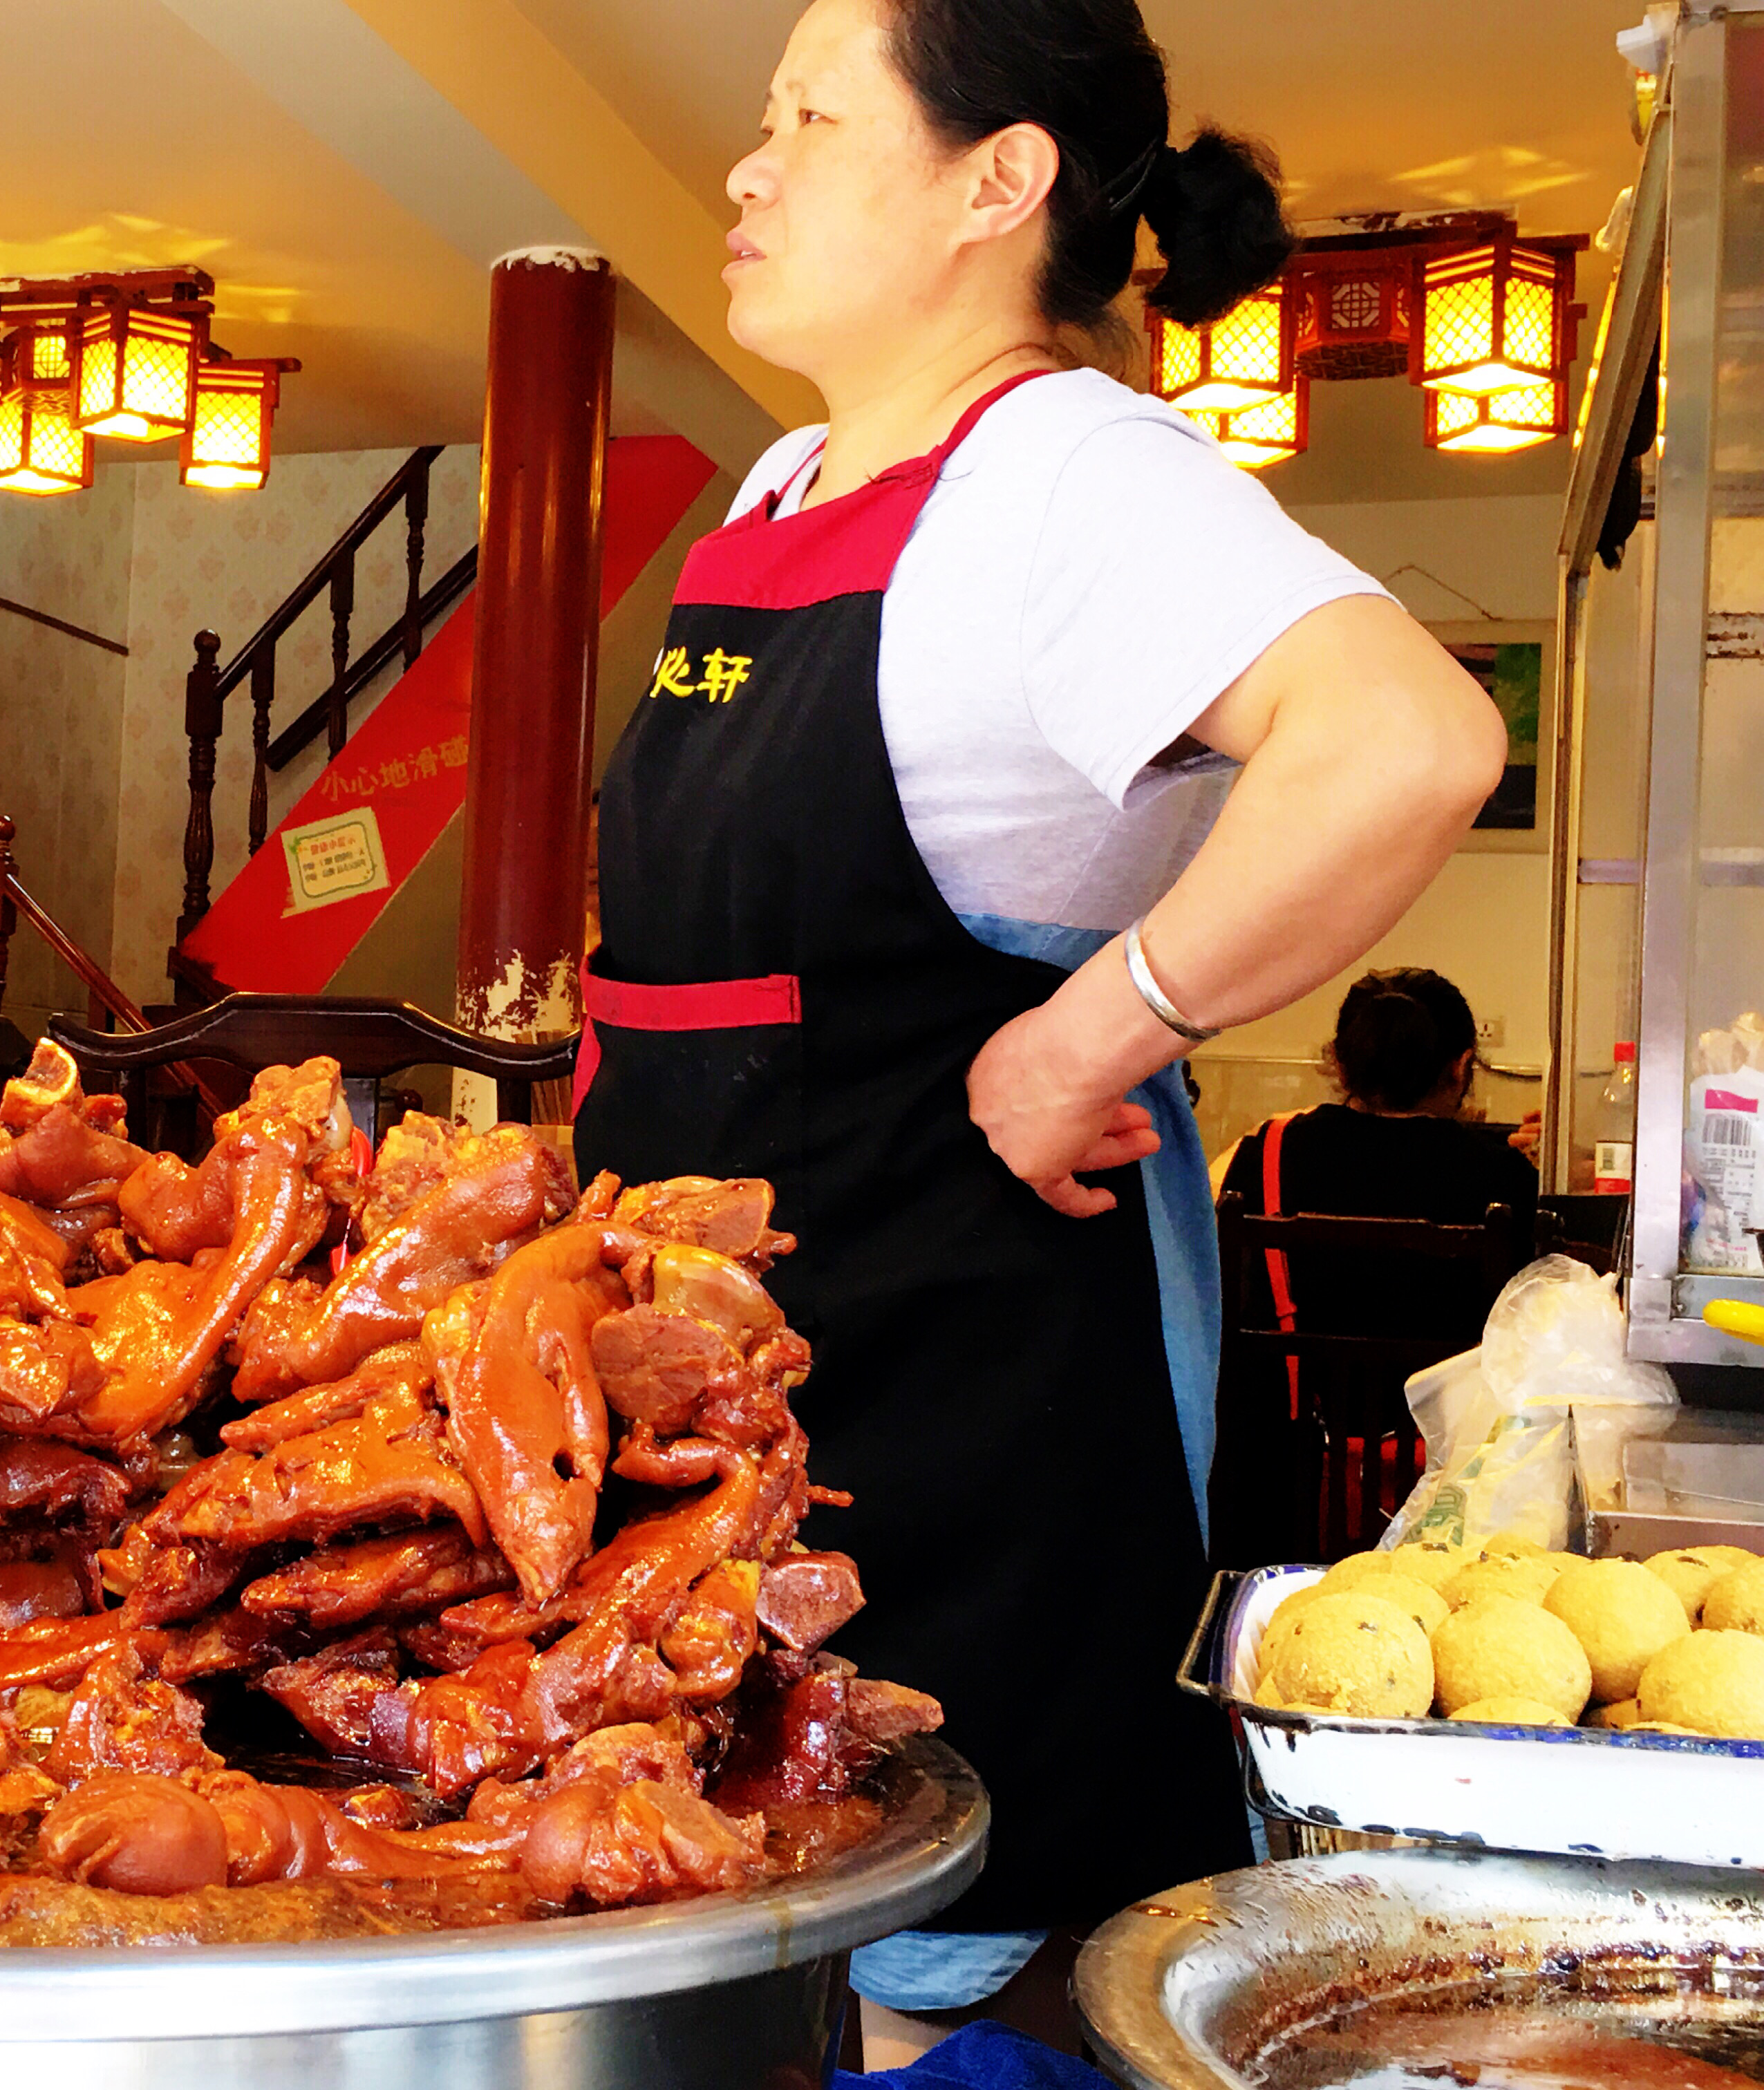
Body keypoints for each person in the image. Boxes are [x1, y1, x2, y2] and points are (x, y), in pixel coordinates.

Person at [570, 0, 1506, 2064]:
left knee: (947, 1953)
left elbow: (1410, 741)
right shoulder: (789, 478)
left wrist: (1101, 1027)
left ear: (1000, 181)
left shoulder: (1071, 471)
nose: (746, 164)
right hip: (726, 1418)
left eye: (812, 118)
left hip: (959, 1403)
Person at [1217, 968, 1537, 1339]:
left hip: (1287, 1378)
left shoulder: (1267, 1153)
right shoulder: (1505, 1176)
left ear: (1340, 1063)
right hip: (1457, 1381)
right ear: (1461, 1067)